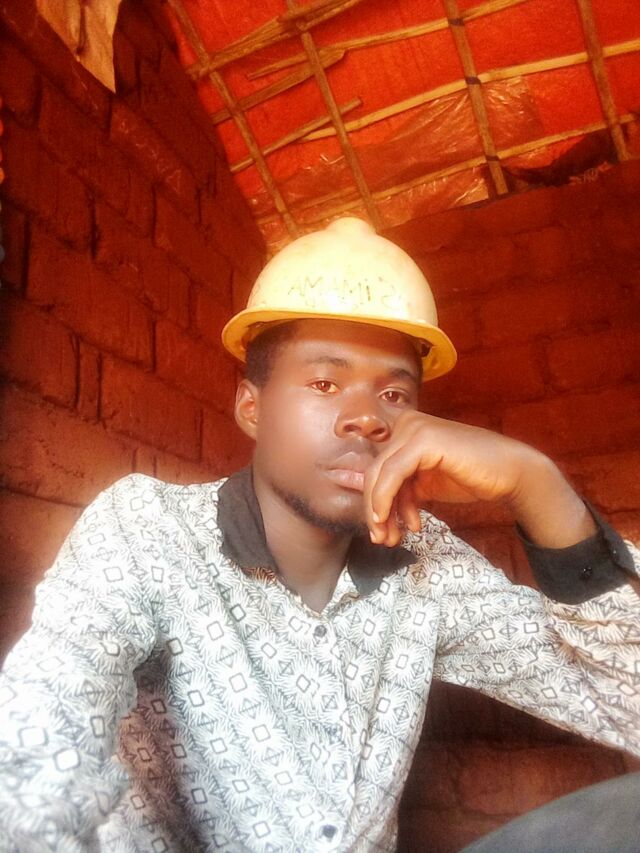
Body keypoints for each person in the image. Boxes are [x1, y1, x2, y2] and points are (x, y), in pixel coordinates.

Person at [0, 217, 638, 852]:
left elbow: (626, 698)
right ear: (252, 408)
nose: (367, 418)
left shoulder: (426, 564)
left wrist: (535, 484)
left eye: (395, 394)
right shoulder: (150, 531)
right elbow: (39, 736)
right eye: (325, 383)